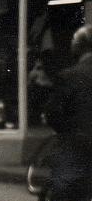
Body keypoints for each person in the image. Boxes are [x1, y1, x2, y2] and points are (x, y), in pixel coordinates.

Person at [43, 24, 92, 201]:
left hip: (78, 147)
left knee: (66, 192)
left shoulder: (70, 76)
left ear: (80, 46)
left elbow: (53, 114)